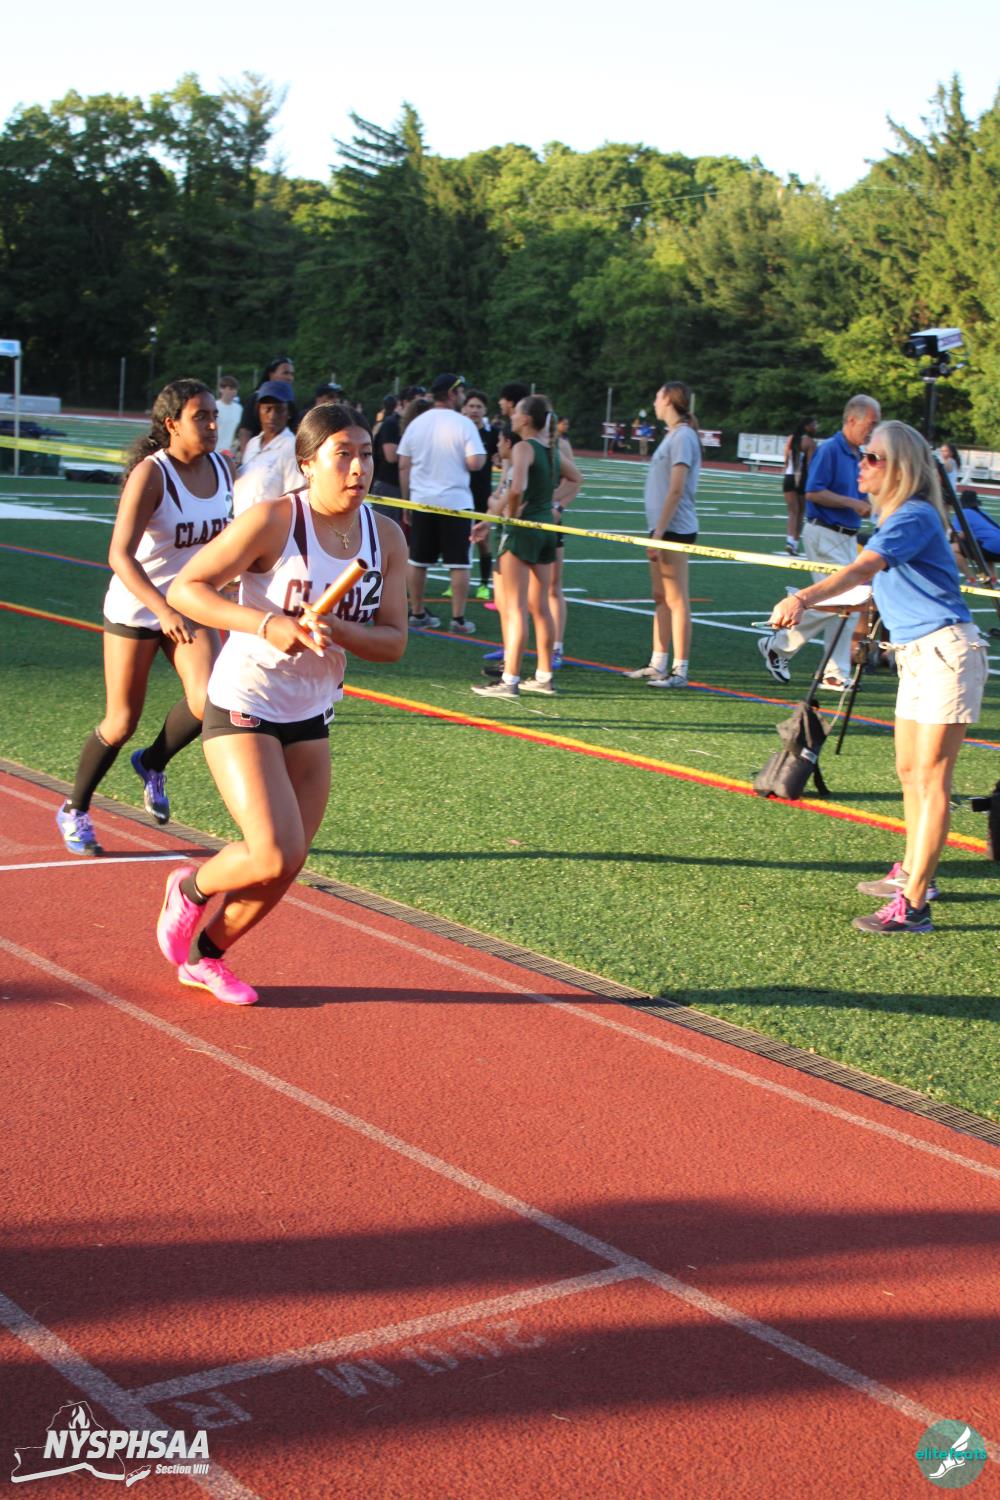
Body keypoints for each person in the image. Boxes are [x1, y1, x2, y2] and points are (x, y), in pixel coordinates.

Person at [160, 403, 408, 1004]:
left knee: (289, 862)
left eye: (366, 454)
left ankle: (206, 957)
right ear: (308, 464)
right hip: (246, 699)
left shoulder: (386, 536)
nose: (358, 468)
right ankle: (189, 889)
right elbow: (187, 589)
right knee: (272, 850)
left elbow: (394, 641)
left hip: (312, 711)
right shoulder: (275, 520)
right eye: (342, 455)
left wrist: (339, 629)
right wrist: (267, 624)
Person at [767, 420, 988, 935]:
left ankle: (915, 904)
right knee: (910, 772)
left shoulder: (912, 514)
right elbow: (873, 587)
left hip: (944, 652)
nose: (861, 464)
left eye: (873, 457)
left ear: (900, 467)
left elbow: (863, 570)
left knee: (931, 779)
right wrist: (818, 605)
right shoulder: (898, 518)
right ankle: (913, 873)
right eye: (863, 454)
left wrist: (804, 598)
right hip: (919, 655)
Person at [55, 379, 232, 856]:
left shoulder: (223, 466)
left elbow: (223, 542)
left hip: (189, 605)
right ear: (171, 424)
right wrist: (161, 607)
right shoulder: (152, 475)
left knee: (210, 699)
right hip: (138, 607)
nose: (212, 424)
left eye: (214, 415)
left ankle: (152, 762)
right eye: (201, 417)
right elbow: (119, 555)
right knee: (121, 721)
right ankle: (74, 808)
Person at [758, 394, 880, 692]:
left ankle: (832, 672)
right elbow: (813, 492)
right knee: (839, 598)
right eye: (870, 423)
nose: (873, 430)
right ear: (852, 419)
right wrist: (853, 503)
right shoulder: (831, 450)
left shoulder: (856, 453)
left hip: (846, 535)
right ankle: (782, 645)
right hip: (826, 532)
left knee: (847, 602)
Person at [471, 396, 562, 700]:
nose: (511, 418)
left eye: (516, 414)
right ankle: (544, 676)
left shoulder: (524, 447)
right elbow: (574, 479)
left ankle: (509, 680)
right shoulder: (551, 449)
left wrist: (509, 515)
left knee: (515, 609)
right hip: (546, 529)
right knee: (540, 607)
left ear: (525, 419)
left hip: (521, 532)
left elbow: (517, 488)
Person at [625, 380, 702, 688]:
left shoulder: (683, 436)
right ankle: (657, 663)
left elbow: (676, 488)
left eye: (658, 396)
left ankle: (680, 670)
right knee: (661, 597)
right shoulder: (673, 435)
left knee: (676, 598)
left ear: (669, 399)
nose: (654, 402)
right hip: (660, 528)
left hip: (674, 528)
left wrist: (658, 533)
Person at [397, 372, 486, 632]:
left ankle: (417, 612)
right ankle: (458, 619)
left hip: (422, 501)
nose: (463, 397)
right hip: (456, 502)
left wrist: (406, 501)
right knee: (459, 563)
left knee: (418, 560)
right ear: (451, 393)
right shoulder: (463, 423)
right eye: (460, 392)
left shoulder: (417, 423)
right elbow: (475, 462)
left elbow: (403, 465)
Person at [232, 380, 301, 516]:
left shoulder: (291, 447)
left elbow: (295, 499)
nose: (272, 416)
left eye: (279, 410)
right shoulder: (253, 444)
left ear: (289, 413)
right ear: (259, 410)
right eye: (267, 409)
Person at [462, 388, 499, 600]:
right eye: (471, 406)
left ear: (485, 410)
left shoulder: (492, 433)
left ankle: (484, 584)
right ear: (464, 408)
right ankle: (457, 584)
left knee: (483, 541)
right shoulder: (459, 430)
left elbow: (502, 458)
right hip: (460, 492)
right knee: (460, 541)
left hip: (481, 494)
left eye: (479, 407)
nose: (475, 410)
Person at [237, 356, 297, 451]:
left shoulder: (289, 402)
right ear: (271, 375)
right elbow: (245, 430)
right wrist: (247, 455)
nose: (289, 377)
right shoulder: (257, 398)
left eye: (292, 374)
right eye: (285, 373)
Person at [781, 417, 818, 555]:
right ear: (807, 427)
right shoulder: (810, 443)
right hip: (802, 479)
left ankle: (789, 541)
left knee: (792, 512)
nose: (816, 427)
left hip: (789, 477)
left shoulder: (791, 439)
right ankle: (795, 544)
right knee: (801, 512)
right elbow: (810, 465)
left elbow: (786, 460)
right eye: (814, 425)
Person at [215, 376, 242, 455]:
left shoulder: (239, 408)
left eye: (234, 389)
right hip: (215, 450)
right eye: (230, 389)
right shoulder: (214, 406)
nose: (233, 392)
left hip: (231, 453)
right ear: (221, 389)